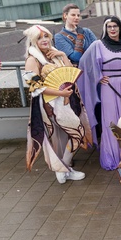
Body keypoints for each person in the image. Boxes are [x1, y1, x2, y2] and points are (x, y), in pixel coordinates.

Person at [23, 25, 92, 184]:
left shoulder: (54, 55)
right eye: (40, 38)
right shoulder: (32, 60)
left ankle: (63, 168)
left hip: (65, 101)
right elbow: (34, 86)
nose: (44, 40)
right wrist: (60, 93)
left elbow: (70, 73)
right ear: (33, 41)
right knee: (76, 132)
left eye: (46, 36)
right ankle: (63, 168)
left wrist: (62, 54)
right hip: (50, 104)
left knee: (69, 135)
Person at [78, 16, 121, 171]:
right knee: (110, 121)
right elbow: (84, 62)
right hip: (109, 87)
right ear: (105, 29)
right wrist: (98, 77)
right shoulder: (98, 45)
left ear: (120, 28)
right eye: (109, 26)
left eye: (115, 26)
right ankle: (114, 155)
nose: (112, 29)